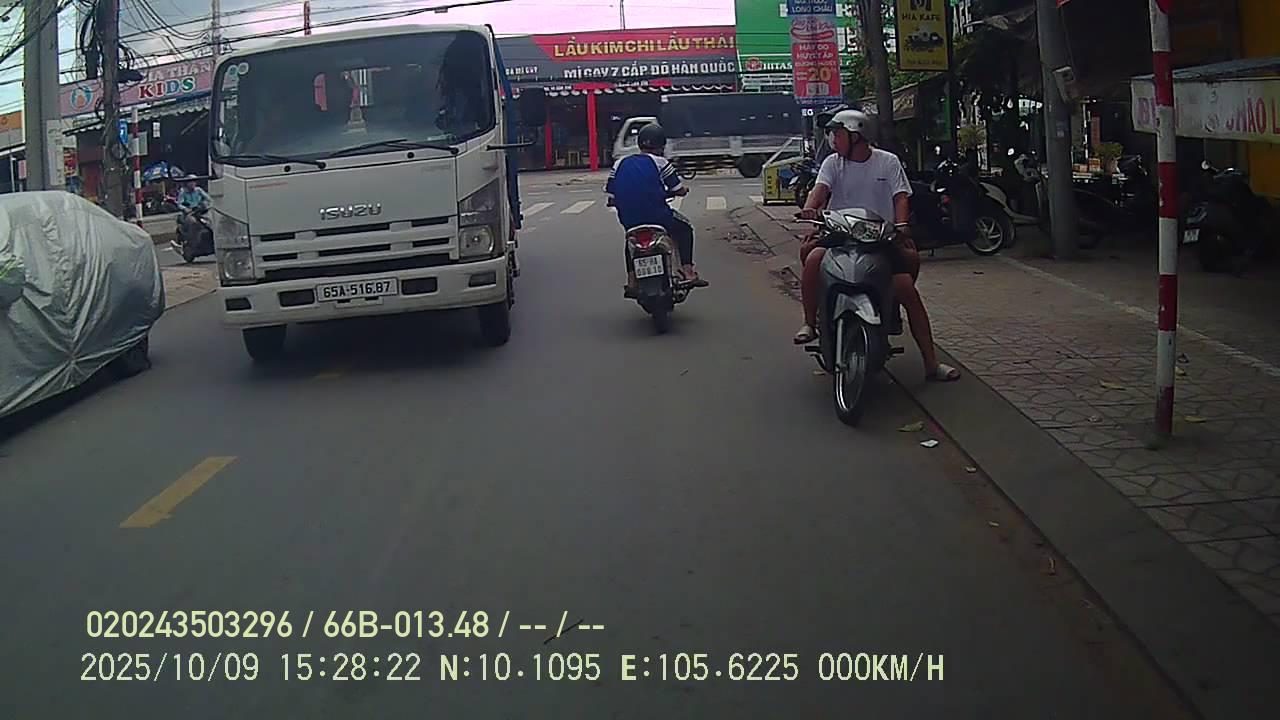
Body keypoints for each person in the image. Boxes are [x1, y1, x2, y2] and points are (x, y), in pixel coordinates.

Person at [795, 109, 960, 382]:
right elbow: (819, 191)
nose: (833, 139)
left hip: (879, 237)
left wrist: (902, 225)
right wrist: (810, 209)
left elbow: (900, 198)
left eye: (838, 134)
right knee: (813, 259)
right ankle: (810, 323)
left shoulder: (887, 161)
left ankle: (930, 362)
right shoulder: (833, 163)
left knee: (907, 287)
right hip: (840, 234)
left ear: (856, 136)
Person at [605, 122, 708, 297]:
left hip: (629, 219)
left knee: (630, 241)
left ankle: (632, 280)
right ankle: (688, 271)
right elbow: (677, 189)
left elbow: (611, 194)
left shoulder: (620, 163)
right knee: (684, 229)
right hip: (658, 216)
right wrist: (683, 191)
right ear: (661, 145)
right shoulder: (661, 162)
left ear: (640, 143)